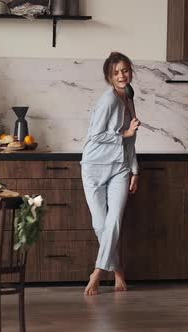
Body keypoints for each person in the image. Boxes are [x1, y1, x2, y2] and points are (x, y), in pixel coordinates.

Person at [81, 52, 140, 296]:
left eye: (125, 70)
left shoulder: (129, 96)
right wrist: (123, 134)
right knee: (100, 225)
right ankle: (117, 270)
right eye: (116, 72)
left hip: (119, 169)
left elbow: (131, 140)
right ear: (109, 76)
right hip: (94, 168)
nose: (121, 75)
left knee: (114, 220)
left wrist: (135, 170)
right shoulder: (108, 101)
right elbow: (95, 136)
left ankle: (97, 272)